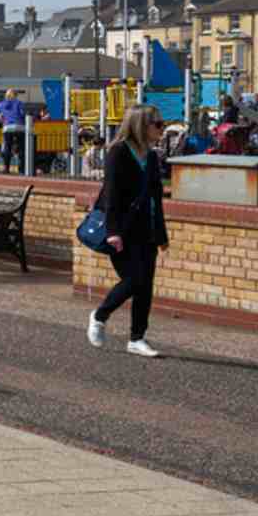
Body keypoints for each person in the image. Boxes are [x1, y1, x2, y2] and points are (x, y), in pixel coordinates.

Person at [88, 105, 169, 357]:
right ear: (141, 125)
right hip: (123, 228)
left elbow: (156, 196)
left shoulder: (153, 156)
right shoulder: (119, 152)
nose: (162, 128)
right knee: (135, 280)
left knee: (146, 285)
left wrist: (162, 234)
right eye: (157, 124)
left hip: (147, 227)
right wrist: (113, 231)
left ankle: (137, 337)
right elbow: (111, 193)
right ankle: (100, 315)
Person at [0, 88, 26, 174]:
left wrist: (0, 119)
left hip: (8, 127)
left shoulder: (1, 104)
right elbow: (23, 114)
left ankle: (6, 168)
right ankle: (22, 169)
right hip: (20, 126)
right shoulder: (19, 103)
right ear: (15, 95)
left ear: (6, 95)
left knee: (7, 147)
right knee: (21, 148)